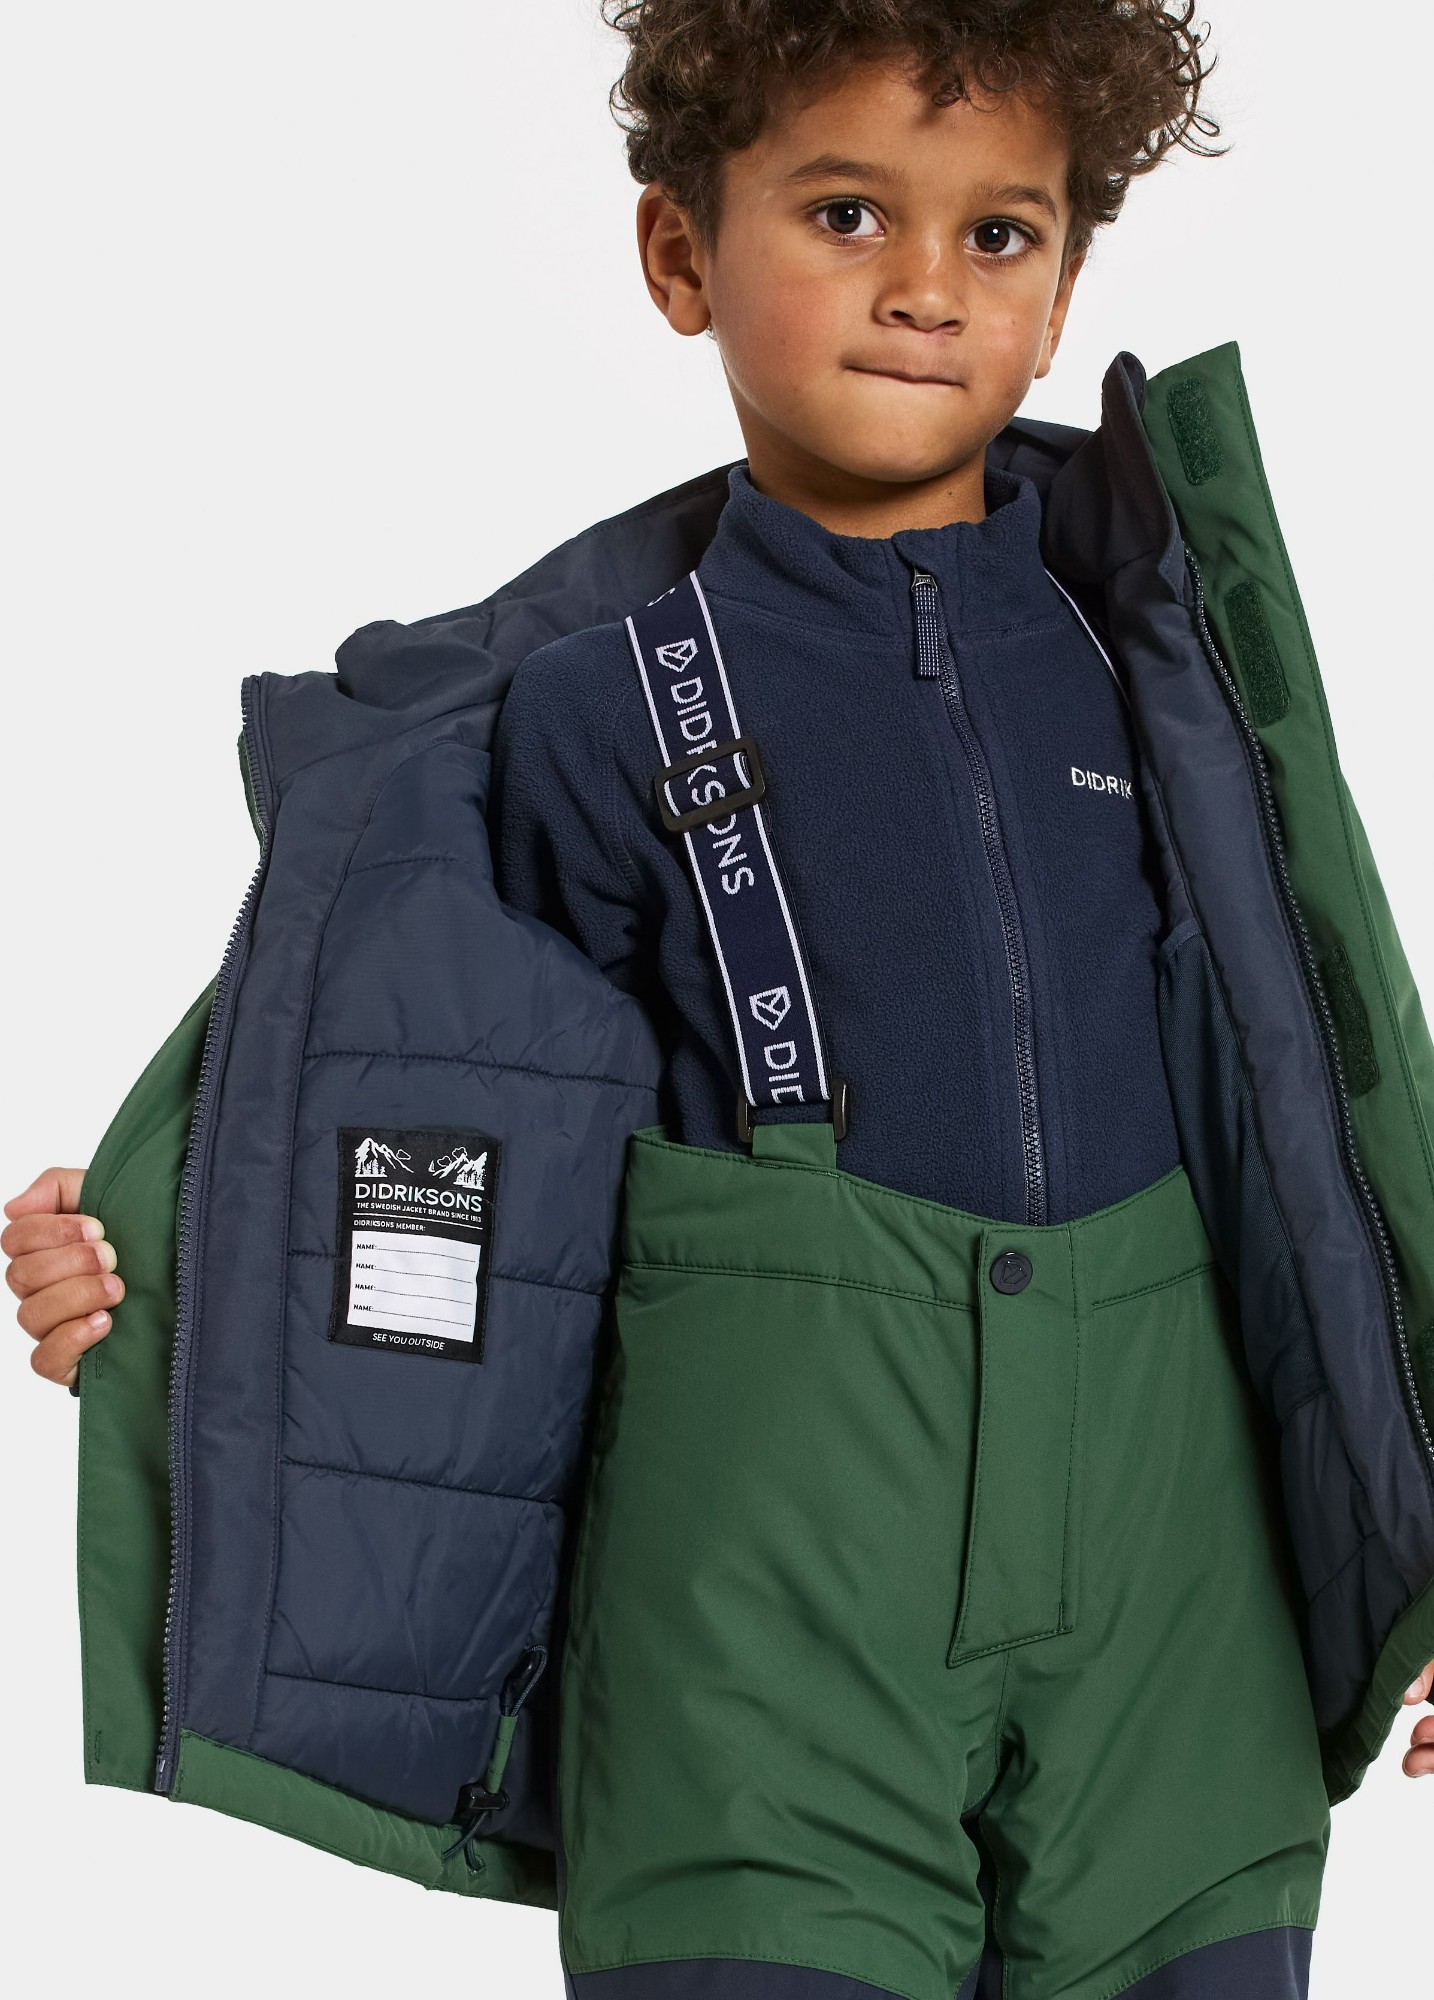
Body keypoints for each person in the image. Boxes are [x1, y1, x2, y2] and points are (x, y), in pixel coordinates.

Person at [7, 4, 1433, 1996]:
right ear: (681, 253)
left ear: (1062, 290)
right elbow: (422, 1119)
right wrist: (170, 1289)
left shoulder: (1163, 657)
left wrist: (1412, 1542)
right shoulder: (579, 711)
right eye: (847, 214)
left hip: (1181, 1611)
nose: (926, 287)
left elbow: (1325, 1128)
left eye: (998, 233)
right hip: (763, 1604)